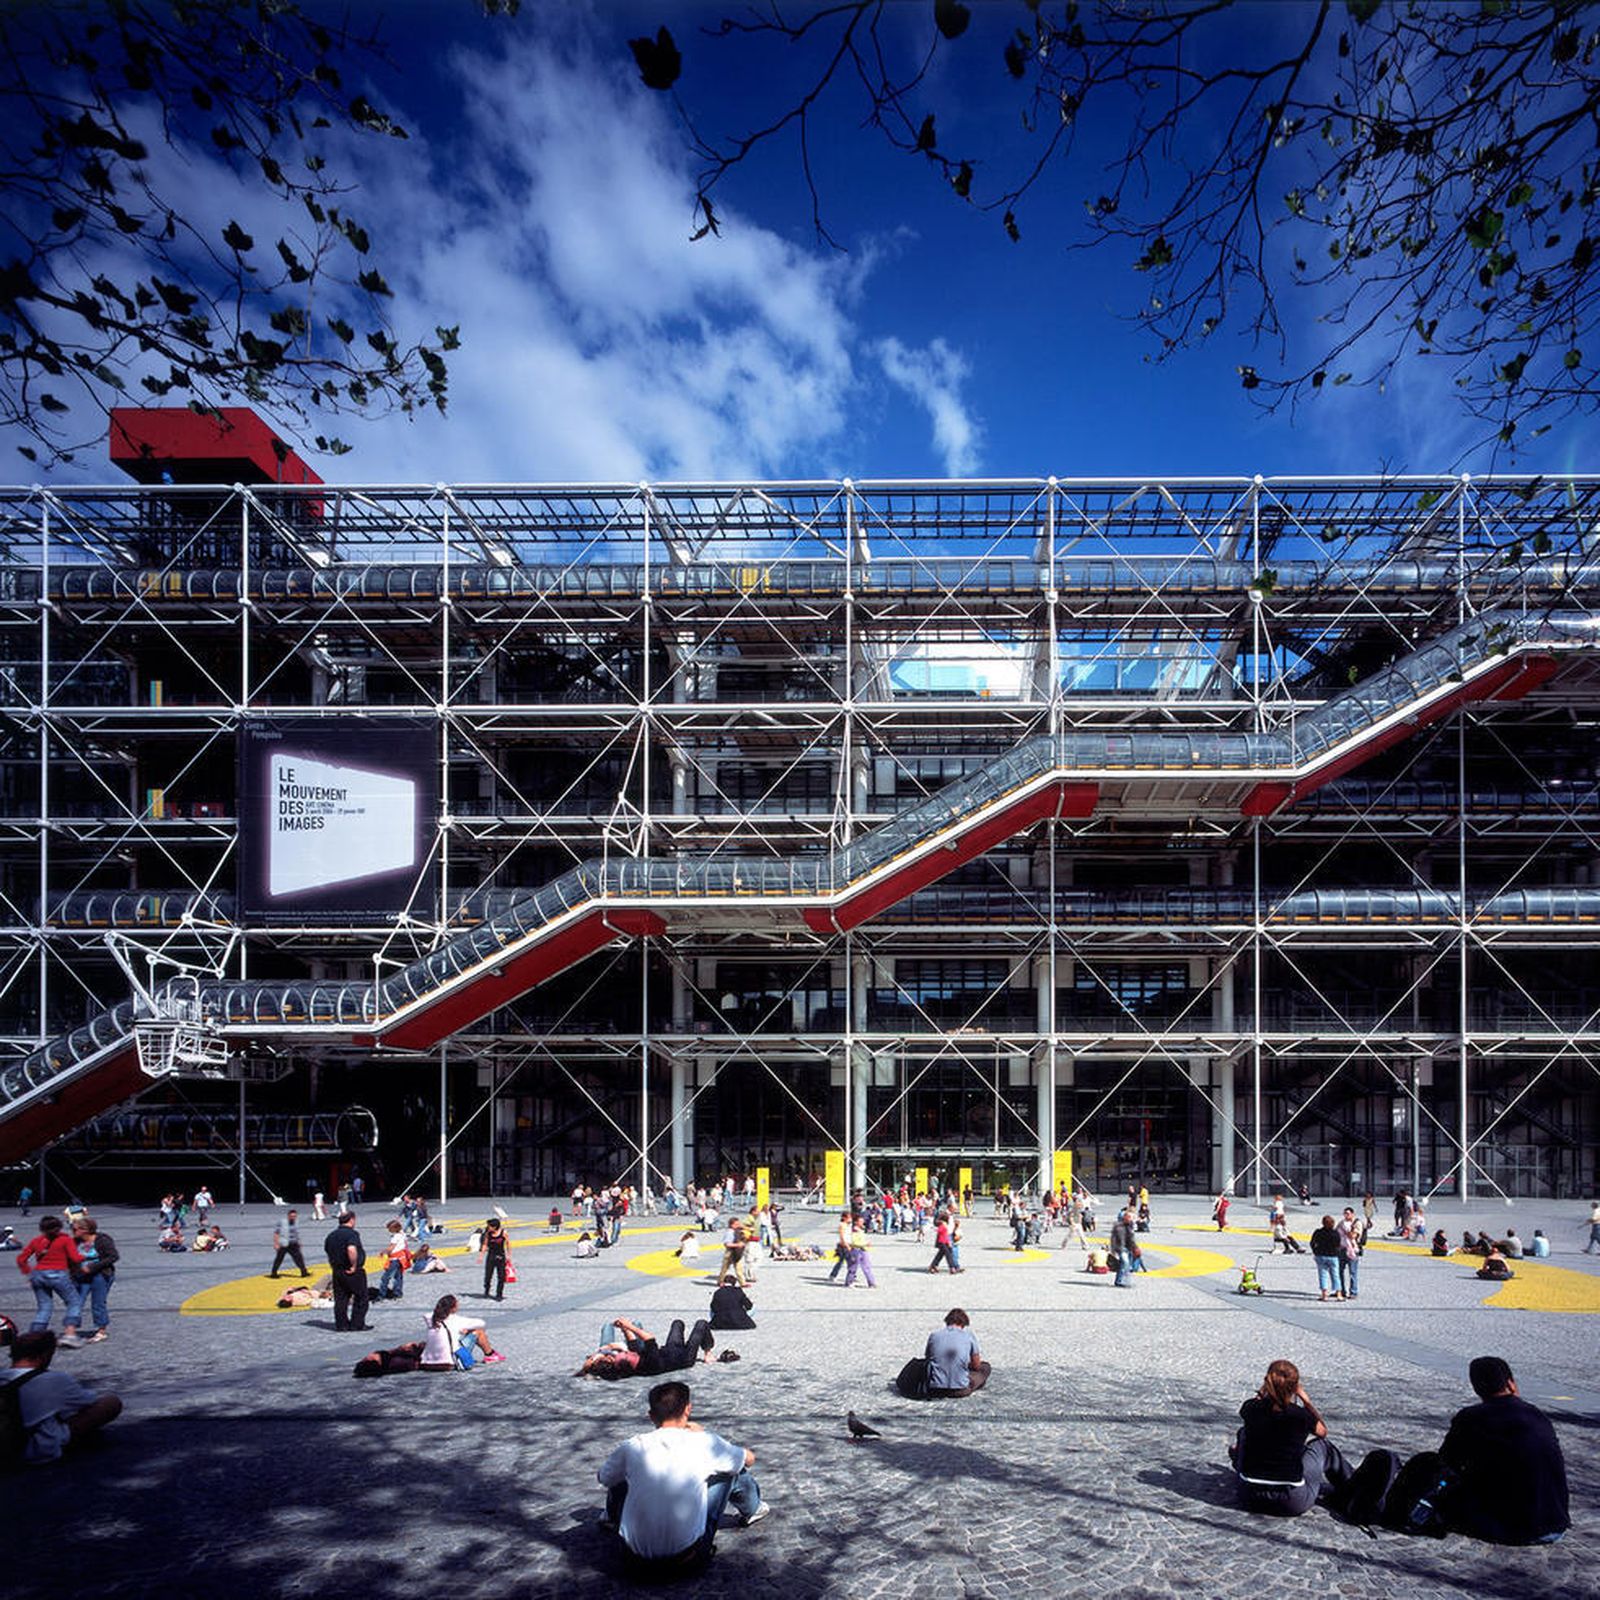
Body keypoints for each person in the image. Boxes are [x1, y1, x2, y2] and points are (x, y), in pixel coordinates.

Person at [596, 1380, 767, 1574]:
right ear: (688, 1410)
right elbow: (749, 1459)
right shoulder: (704, 1442)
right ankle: (753, 1509)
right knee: (730, 1471)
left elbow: (604, 1478)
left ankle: (611, 1518)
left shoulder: (632, 1446)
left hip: (633, 1562)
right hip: (688, 1560)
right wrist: (705, 1433)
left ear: (651, 1416)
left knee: (621, 1475)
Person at [1435, 1356, 1569, 1544]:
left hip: (1512, 1528)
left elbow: (1446, 1462)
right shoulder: (1536, 1414)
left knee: (1445, 1489)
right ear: (1511, 1384)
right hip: (1555, 1522)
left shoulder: (1471, 1417)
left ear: (1476, 1388)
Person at [1230, 1359, 1349, 1516]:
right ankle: (1351, 1486)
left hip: (1249, 1497)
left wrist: (1263, 1392)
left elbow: (1256, 1404)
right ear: (1294, 1388)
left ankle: (1248, 1467)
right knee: (1323, 1446)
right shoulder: (1301, 1416)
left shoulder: (1250, 1408)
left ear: (1267, 1382)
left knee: (1244, 1432)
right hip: (1291, 1501)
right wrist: (1306, 1401)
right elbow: (1322, 1432)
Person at [1, 1330, 122, 1462]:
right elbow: (88, 1401)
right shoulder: (54, 1379)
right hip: (32, 1449)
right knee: (110, 1403)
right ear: (44, 1355)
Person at [577, 1316, 716, 1380]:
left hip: (670, 1349)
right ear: (629, 1361)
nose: (626, 1352)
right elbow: (649, 1338)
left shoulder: (632, 1361)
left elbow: (632, 1342)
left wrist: (623, 1328)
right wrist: (630, 1326)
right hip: (685, 1358)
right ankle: (708, 1351)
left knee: (677, 1323)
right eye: (625, 1355)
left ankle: (704, 1347)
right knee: (701, 1324)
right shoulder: (649, 1363)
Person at [16, 1215, 85, 1340]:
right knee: (74, 1302)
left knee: (44, 1306)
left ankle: (34, 1337)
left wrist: (29, 1273)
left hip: (38, 1274)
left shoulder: (36, 1241)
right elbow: (75, 1258)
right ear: (59, 1227)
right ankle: (70, 1334)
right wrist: (86, 1256)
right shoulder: (65, 1240)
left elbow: (21, 1259)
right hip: (57, 1274)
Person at [419, 1293, 503, 1369]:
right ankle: (490, 1354)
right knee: (478, 1332)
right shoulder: (457, 1320)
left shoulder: (431, 1318)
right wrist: (468, 1329)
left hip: (427, 1363)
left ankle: (490, 1354)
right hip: (449, 1362)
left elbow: (426, 1315)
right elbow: (481, 1323)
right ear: (452, 1308)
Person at [68, 1217, 117, 1345]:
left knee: (98, 1303)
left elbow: (113, 1256)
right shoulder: (75, 1242)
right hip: (81, 1276)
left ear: (85, 1230)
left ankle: (101, 1331)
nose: (72, 1231)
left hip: (100, 1274)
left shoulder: (102, 1240)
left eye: (74, 1229)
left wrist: (92, 1267)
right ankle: (70, 1331)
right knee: (76, 1302)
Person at [925, 1307, 990, 1398]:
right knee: (985, 1367)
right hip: (960, 1390)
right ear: (963, 1323)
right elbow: (976, 1365)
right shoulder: (969, 1336)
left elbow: (928, 1359)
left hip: (935, 1389)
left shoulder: (934, 1335)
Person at [323, 1211, 370, 1332]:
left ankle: (342, 1325)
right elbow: (351, 1249)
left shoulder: (331, 1235)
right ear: (352, 1220)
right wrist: (353, 1265)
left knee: (341, 1299)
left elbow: (328, 1251)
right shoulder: (351, 1234)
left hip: (337, 1270)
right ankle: (357, 1324)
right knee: (361, 1297)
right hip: (352, 1271)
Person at [1309, 1214, 1342, 1301]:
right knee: (1335, 1275)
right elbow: (1338, 1245)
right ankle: (1339, 1294)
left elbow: (1312, 1243)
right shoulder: (1335, 1233)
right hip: (1333, 1256)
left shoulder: (1318, 1232)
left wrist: (1315, 1251)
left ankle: (1324, 1294)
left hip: (1321, 1255)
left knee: (1323, 1275)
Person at [270, 1209, 310, 1278]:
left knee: (299, 1258)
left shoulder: (296, 1222)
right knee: (279, 1258)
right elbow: (276, 1233)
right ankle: (274, 1273)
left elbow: (296, 1233)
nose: (293, 1218)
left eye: (294, 1216)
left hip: (293, 1243)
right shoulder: (282, 1222)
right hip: (284, 1244)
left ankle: (304, 1272)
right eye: (291, 1216)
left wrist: (299, 1242)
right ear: (288, 1216)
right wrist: (276, 1243)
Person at [479, 1216, 510, 1300]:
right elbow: (485, 1244)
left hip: (501, 1255)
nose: (487, 1227)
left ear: (494, 1227)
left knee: (501, 1276)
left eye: (489, 1226)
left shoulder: (503, 1233)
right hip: (491, 1255)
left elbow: (508, 1244)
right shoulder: (488, 1234)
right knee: (488, 1275)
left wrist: (508, 1256)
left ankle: (499, 1294)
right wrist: (481, 1256)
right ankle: (486, 1290)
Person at [1335, 1206, 1362, 1300]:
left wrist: (1347, 1229)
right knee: (1339, 1271)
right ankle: (1341, 1290)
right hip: (1341, 1249)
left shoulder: (1357, 1223)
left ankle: (1353, 1292)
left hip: (1352, 1250)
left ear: (1352, 1214)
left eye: (1348, 1213)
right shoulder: (1341, 1223)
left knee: (1352, 1272)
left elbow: (1353, 1236)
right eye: (1345, 1213)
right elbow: (1336, 1233)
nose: (1346, 1215)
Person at [379, 1219, 410, 1299]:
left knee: (386, 1277)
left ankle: (382, 1294)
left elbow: (391, 1248)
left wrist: (383, 1252)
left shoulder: (395, 1237)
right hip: (401, 1258)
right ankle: (397, 1292)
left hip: (395, 1259)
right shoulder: (403, 1234)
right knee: (398, 1277)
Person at [1110, 1206, 1137, 1289]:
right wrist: (1113, 1250)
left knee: (1125, 1265)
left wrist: (1135, 1247)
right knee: (1125, 1263)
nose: (1131, 1219)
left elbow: (1132, 1239)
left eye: (1132, 1218)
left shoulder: (1130, 1226)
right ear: (1124, 1217)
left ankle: (1120, 1280)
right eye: (1129, 1217)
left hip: (1128, 1248)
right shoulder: (1118, 1226)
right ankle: (1121, 1281)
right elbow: (1113, 1238)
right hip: (1120, 1248)